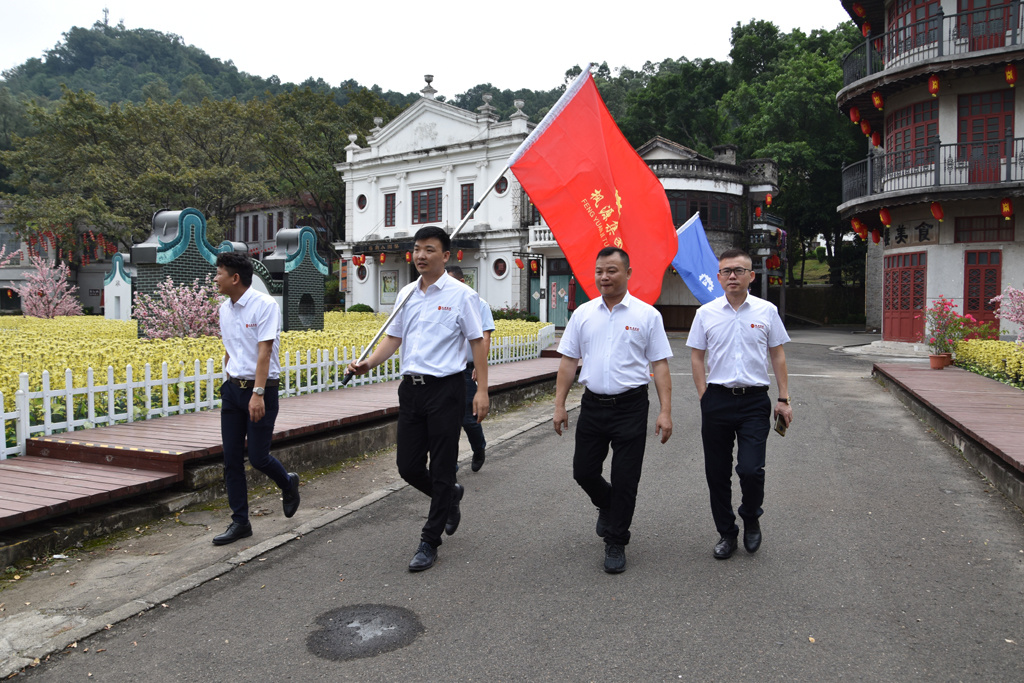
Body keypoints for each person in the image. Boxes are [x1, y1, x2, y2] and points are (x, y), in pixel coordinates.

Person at [346, 226, 489, 572]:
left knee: (441, 466)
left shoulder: (461, 295)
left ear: (446, 255)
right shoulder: (407, 294)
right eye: (417, 249)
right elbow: (393, 339)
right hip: (411, 389)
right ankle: (449, 496)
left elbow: (478, 343)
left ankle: (430, 540)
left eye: (429, 249)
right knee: (408, 466)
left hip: (446, 389)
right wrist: (369, 363)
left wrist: (482, 389)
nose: (421, 255)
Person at [553, 247, 673, 574]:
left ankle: (616, 540)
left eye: (612, 271)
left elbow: (660, 365)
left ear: (628, 273)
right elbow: (568, 361)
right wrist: (560, 404)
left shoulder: (647, 316)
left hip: (631, 407)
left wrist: (665, 411)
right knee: (584, 471)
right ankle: (606, 505)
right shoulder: (583, 314)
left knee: (625, 478)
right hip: (592, 404)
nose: (604, 277)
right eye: (600, 271)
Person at [687, 248, 793, 560]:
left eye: (739, 270)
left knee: (750, 469)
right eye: (726, 271)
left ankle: (750, 516)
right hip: (717, 400)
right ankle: (726, 533)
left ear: (751, 276)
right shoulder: (705, 313)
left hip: (754, 401)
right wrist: (703, 395)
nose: (732, 276)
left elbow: (778, 354)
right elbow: (696, 355)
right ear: (719, 277)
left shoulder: (766, 311)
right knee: (716, 473)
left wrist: (784, 399)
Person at [212, 252, 300, 546]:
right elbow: (230, 348)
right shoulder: (224, 309)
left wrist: (258, 393)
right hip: (232, 391)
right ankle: (240, 522)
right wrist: (228, 383)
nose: (215, 278)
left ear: (235, 278)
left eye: (219, 273)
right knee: (231, 460)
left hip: (261, 389)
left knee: (259, 457)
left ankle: (288, 483)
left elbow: (264, 352)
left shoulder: (265, 306)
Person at [446, 265, 495, 472]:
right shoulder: (443, 303)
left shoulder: (478, 303)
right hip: (447, 370)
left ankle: (479, 448)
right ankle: (450, 464)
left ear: (462, 282)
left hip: (467, 368)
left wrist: (478, 365)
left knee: (468, 418)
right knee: (447, 421)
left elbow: (485, 337)